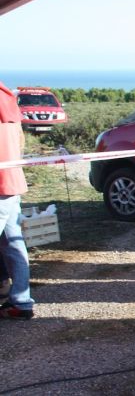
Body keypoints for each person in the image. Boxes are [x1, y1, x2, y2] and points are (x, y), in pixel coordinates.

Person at [0, 80, 35, 320]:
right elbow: (21, 142)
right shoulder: (9, 99)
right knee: (14, 245)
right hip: (12, 183)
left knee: (13, 245)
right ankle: (21, 302)